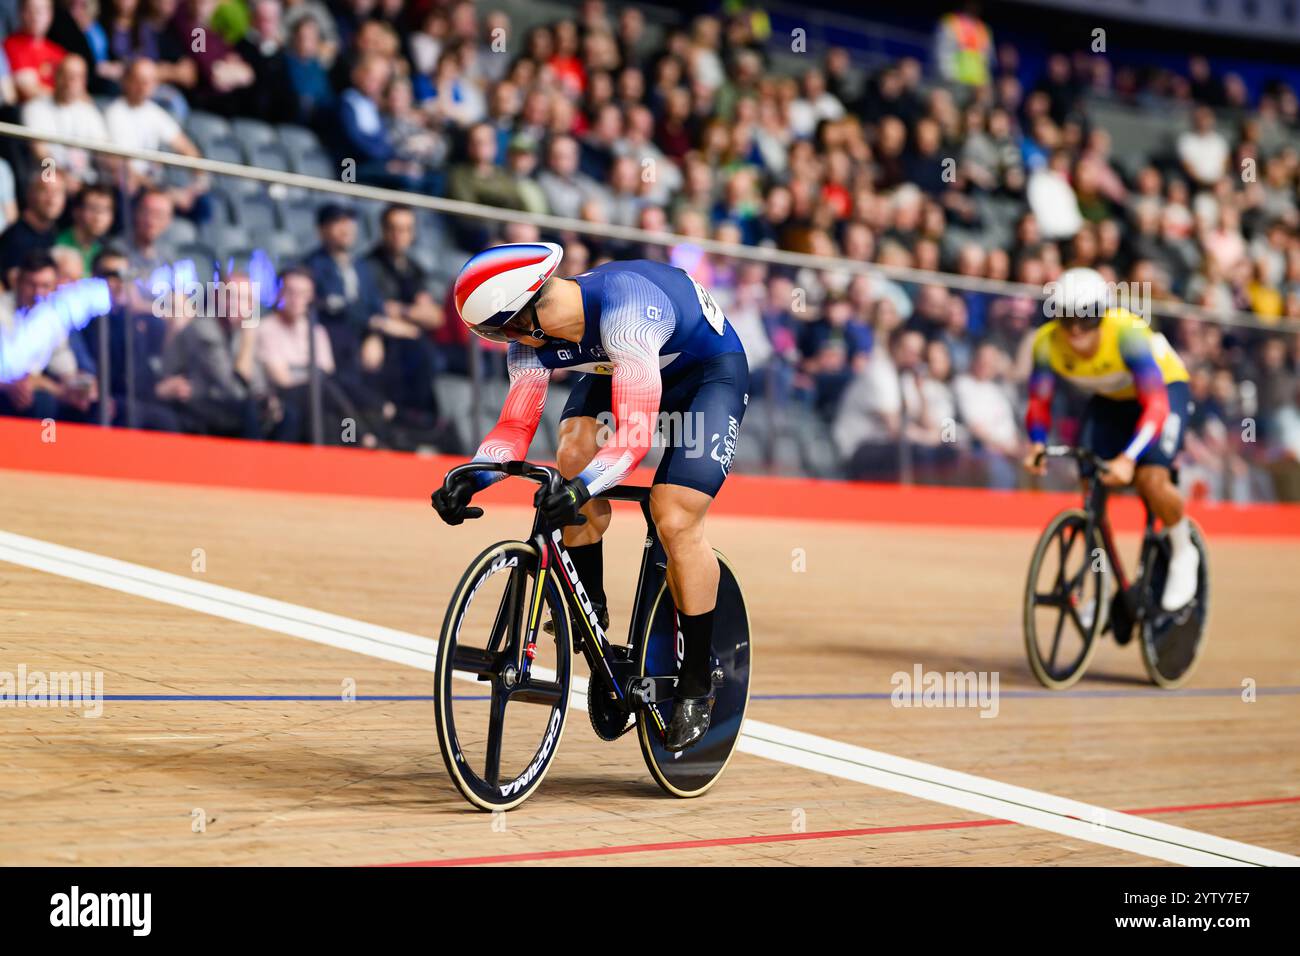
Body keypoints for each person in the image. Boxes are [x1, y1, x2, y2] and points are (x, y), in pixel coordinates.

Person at [431, 243, 749, 752]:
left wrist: (578, 491)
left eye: (500, 329)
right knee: (573, 452)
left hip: (706, 375)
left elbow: (635, 436)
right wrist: (474, 476)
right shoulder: (531, 340)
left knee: (673, 516)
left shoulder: (626, 313)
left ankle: (695, 682)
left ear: (530, 313)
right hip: (620, 368)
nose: (501, 341)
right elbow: (515, 426)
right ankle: (592, 612)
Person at [1023, 268, 1199, 610]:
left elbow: (1156, 406)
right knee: (1092, 490)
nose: (1075, 330)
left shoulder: (1128, 334)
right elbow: (1038, 402)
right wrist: (1037, 442)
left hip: (1163, 393)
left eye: (1086, 319)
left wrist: (1128, 458)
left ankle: (1182, 551)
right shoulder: (1046, 343)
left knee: (1151, 479)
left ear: (1102, 315)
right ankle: (1101, 580)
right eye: (1067, 318)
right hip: (1110, 398)